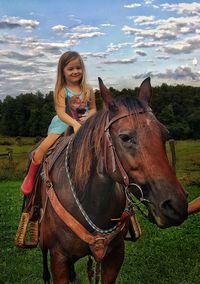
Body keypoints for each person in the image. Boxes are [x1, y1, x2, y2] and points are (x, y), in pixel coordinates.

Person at [21, 51, 96, 195]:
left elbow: (93, 108)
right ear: (63, 71)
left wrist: (88, 117)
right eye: (71, 69)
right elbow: (61, 113)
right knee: (43, 148)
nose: (75, 71)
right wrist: (73, 124)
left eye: (78, 68)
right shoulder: (61, 90)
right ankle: (30, 177)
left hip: (84, 123)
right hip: (63, 123)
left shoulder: (88, 89)